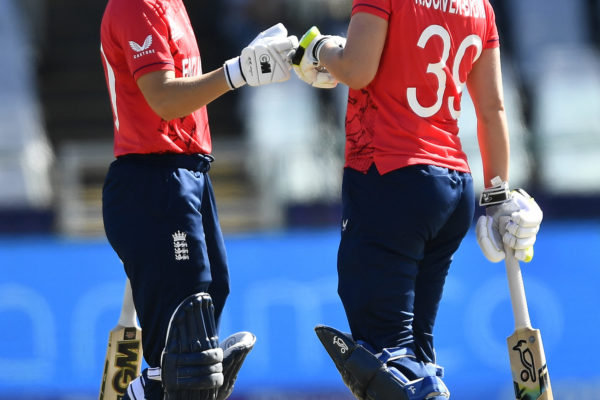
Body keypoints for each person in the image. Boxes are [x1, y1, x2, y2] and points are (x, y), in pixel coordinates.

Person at [292, 1, 543, 399]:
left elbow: (357, 69)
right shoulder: (480, 7)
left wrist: (318, 47)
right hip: (452, 186)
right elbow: (492, 109)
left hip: (391, 178)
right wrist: (497, 196)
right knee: (415, 355)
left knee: (387, 366)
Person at [99, 1, 297, 399]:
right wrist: (238, 71)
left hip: (186, 175)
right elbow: (164, 99)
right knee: (185, 362)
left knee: (200, 336)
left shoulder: (170, 5)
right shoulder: (137, 6)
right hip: (154, 180)